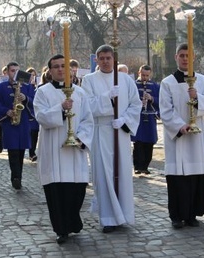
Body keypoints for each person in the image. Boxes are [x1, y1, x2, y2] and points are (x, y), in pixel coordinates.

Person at [34, 54, 94, 244]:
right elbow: (41, 117)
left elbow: (88, 120)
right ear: (50, 71)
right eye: (56, 67)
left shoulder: (80, 92)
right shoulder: (43, 92)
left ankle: (73, 221)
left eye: (63, 66)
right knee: (57, 194)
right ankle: (61, 229)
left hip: (74, 150)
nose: (60, 69)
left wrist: (81, 138)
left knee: (76, 191)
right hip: (53, 150)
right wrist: (60, 108)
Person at [81, 45, 141, 233]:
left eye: (108, 58)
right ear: (96, 60)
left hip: (120, 131)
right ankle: (108, 218)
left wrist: (124, 120)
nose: (106, 61)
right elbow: (87, 106)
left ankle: (123, 214)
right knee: (103, 173)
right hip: (101, 131)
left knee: (122, 172)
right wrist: (107, 97)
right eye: (102, 58)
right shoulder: (89, 80)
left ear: (114, 59)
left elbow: (135, 103)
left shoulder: (125, 80)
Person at [159, 43, 204, 229]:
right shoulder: (168, 82)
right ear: (176, 57)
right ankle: (177, 215)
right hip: (178, 137)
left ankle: (192, 214)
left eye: (188, 55)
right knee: (178, 176)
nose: (185, 58)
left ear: (193, 58)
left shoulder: (202, 80)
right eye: (181, 55)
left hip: (197, 136)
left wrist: (197, 96)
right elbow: (165, 110)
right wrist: (180, 126)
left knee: (195, 175)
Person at [0, 62, 34, 190]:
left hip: (24, 122)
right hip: (9, 123)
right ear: (7, 72)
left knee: (21, 152)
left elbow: (34, 100)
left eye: (17, 71)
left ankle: (18, 176)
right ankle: (15, 177)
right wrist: (6, 111)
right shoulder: (1, 87)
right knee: (13, 151)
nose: (14, 73)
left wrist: (25, 98)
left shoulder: (26, 86)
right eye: (12, 71)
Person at [131, 65, 160, 175]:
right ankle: (137, 166)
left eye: (147, 75)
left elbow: (161, 100)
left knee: (149, 142)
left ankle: (145, 166)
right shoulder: (133, 85)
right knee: (138, 142)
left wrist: (152, 99)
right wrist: (139, 102)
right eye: (143, 75)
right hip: (138, 118)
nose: (145, 78)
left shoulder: (155, 86)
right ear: (139, 72)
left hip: (150, 118)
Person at [26, 67, 39, 162]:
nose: (32, 77)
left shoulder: (37, 87)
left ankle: (32, 153)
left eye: (34, 75)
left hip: (35, 115)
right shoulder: (26, 87)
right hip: (27, 113)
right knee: (29, 134)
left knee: (34, 134)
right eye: (31, 75)